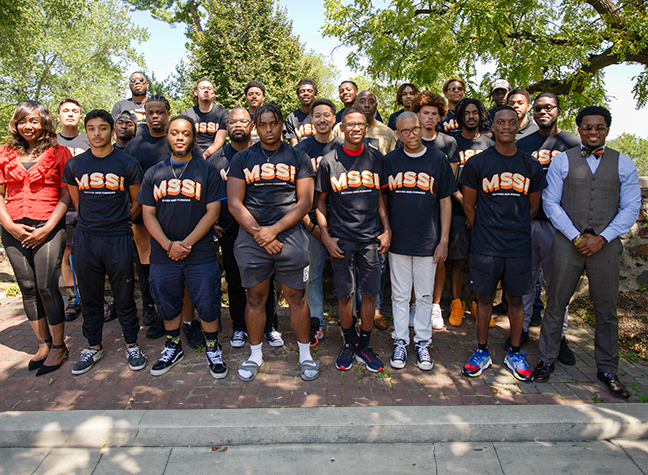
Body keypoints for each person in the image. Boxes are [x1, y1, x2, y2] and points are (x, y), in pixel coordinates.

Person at [534, 106, 641, 400]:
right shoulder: (562, 162)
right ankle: (546, 359)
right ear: (579, 129)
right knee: (555, 303)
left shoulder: (624, 164)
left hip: (605, 248)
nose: (593, 132)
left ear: (607, 129)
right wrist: (576, 236)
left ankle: (607, 369)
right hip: (568, 244)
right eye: (587, 127)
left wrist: (603, 238)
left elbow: (631, 207)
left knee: (606, 311)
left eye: (599, 127)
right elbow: (551, 202)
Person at [227, 104, 319, 382]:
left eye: (273, 124)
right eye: (263, 124)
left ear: (281, 125)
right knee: (255, 298)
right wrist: (260, 233)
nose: (268, 129)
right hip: (252, 239)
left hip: (290, 238)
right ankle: (255, 355)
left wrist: (274, 230)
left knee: (297, 297)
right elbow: (234, 203)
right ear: (256, 126)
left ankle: (305, 355)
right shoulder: (242, 159)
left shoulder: (299, 156)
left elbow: (305, 201)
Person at [460, 106, 546, 382]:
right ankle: (482, 350)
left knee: (516, 300)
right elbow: (470, 206)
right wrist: (488, 229)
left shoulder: (530, 165)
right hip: (486, 245)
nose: (506, 126)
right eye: (501, 122)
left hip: (518, 244)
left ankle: (515, 351)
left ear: (518, 124)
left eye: (512, 121)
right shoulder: (478, 163)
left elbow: (533, 207)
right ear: (493, 127)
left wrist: (514, 227)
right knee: (484, 298)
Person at [137, 115, 227, 378]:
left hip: (199, 253)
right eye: (174, 132)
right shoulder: (154, 173)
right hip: (164, 255)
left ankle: (212, 347)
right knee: (168, 303)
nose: (179, 137)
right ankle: (173, 346)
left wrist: (185, 243)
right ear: (168, 136)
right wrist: (168, 245)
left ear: (193, 138)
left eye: (185, 133)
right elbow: (147, 214)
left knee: (208, 302)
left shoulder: (206, 170)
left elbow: (212, 212)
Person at [62, 109, 146, 375]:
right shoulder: (75, 165)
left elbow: (137, 203)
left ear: (111, 131)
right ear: (86, 131)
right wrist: (94, 222)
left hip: (118, 236)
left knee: (124, 294)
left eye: (102, 128)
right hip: (86, 237)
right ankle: (93, 345)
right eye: (91, 128)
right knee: (91, 296)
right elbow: (77, 202)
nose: (97, 134)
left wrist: (120, 222)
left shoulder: (126, 163)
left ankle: (132, 343)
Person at [316, 106, 391, 373]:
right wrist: (325, 236)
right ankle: (349, 342)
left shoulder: (376, 159)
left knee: (370, 293)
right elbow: (320, 203)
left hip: (371, 238)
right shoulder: (328, 161)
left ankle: (365, 344)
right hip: (342, 239)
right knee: (345, 293)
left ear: (366, 127)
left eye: (360, 124)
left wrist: (387, 229)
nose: (356, 128)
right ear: (342, 127)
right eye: (350, 124)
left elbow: (381, 197)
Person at [0, 101, 72, 376]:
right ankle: (42, 344)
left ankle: (58, 346)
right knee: (27, 287)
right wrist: (8, 224)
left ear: (44, 122)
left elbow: (66, 194)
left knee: (45, 286)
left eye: (33, 121)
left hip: (47, 224)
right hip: (13, 225)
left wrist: (49, 226)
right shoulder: (5, 153)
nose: (27, 126)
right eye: (22, 121)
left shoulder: (58, 152)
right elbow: (1, 192)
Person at [126, 95, 204, 345]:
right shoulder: (134, 145)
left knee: (183, 273)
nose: (155, 116)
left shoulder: (185, 141)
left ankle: (189, 322)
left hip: (182, 218)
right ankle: (162, 315)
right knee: (153, 272)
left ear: (168, 114)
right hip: (146, 220)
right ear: (144, 115)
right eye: (150, 112)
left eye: (160, 112)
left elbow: (201, 177)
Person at [208, 107, 283, 349]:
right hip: (230, 231)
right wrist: (214, 224)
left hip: (262, 231)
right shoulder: (216, 159)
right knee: (235, 280)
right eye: (232, 121)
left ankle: (270, 326)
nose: (237, 125)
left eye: (243, 121)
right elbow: (206, 195)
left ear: (251, 125)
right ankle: (240, 326)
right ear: (226, 127)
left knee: (267, 281)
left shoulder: (261, 153)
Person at [384, 112, 455, 370]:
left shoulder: (437, 159)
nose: (411, 135)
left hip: (428, 240)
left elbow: (445, 200)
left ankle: (423, 342)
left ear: (422, 128)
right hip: (399, 239)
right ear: (398, 134)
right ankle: (401, 341)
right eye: (405, 131)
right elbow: (382, 199)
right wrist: (386, 230)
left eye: (415, 129)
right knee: (400, 295)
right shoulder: (389, 161)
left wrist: (444, 239)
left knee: (425, 296)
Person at [514, 92, 580, 362]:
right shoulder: (524, 142)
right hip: (527, 221)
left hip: (560, 225)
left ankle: (558, 337)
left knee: (557, 286)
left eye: (548, 107)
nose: (543, 112)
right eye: (539, 108)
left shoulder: (572, 143)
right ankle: (522, 329)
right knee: (524, 281)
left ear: (558, 110)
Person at [295, 98, 344, 347]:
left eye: (327, 115)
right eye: (317, 116)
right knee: (312, 277)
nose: (322, 120)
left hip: (343, 224)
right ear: (311, 120)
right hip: (310, 226)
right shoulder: (301, 150)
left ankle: (349, 324)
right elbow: (294, 192)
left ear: (334, 118)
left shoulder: (345, 147)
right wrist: (309, 224)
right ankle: (316, 323)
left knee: (347, 276)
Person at [413, 91, 460, 328]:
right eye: (425, 113)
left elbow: (447, 185)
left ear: (440, 117)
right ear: (418, 115)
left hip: (438, 209)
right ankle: (414, 305)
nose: (430, 118)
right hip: (411, 208)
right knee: (410, 258)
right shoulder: (408, 140)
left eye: (434, 114)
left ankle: (435, 306)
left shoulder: (448, 143)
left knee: (438, 259)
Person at [447, 98, 495, 327]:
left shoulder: (489, 144)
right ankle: (457, 303)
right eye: (466, 113)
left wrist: (476, 210)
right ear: (460, 117)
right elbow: (449, 181)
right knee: (457, 260)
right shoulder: (453, 143)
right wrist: (467, 209)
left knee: (482, 260)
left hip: (483, 212)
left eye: (475, 113)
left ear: (481, 116)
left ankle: (479, 305)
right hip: (457, 210)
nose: (471, 117)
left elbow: (494, 182)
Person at [55, 99, 90, 323]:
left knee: (93, 253)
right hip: (63, 205)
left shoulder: (90, 138)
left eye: (75, 111)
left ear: (80, 116)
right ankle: (73, 297)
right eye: (65, 111)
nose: (70, 114)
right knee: (67, 253)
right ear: (58, 116)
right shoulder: (50, 142)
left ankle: (95, 298)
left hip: (91, 203)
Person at [182, 77, 228, 158]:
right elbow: (185, 139)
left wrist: (205, 155)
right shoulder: (187, 114)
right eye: (202, 88)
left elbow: (219, 141)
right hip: (193, 154)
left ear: (213, 93)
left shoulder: (223, 113)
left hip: (215, 155)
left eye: (209, 88)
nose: (206, 90)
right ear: (196, 92)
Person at [111, 71, 149, 136]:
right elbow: (113, 132)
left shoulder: (155, 106)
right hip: (128, 145)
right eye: (133, 80)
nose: (137, 82)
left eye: (141, 80)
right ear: (130, 85)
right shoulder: (119, 106)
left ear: (147, 84)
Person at [285, 78, 318, 146]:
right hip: (301, 155)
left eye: (309, 91)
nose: (306, 93)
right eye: (302, 91)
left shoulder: (322, 115)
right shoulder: (291, 118)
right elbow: (295, 146)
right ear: (298, 95)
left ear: (315, 95)